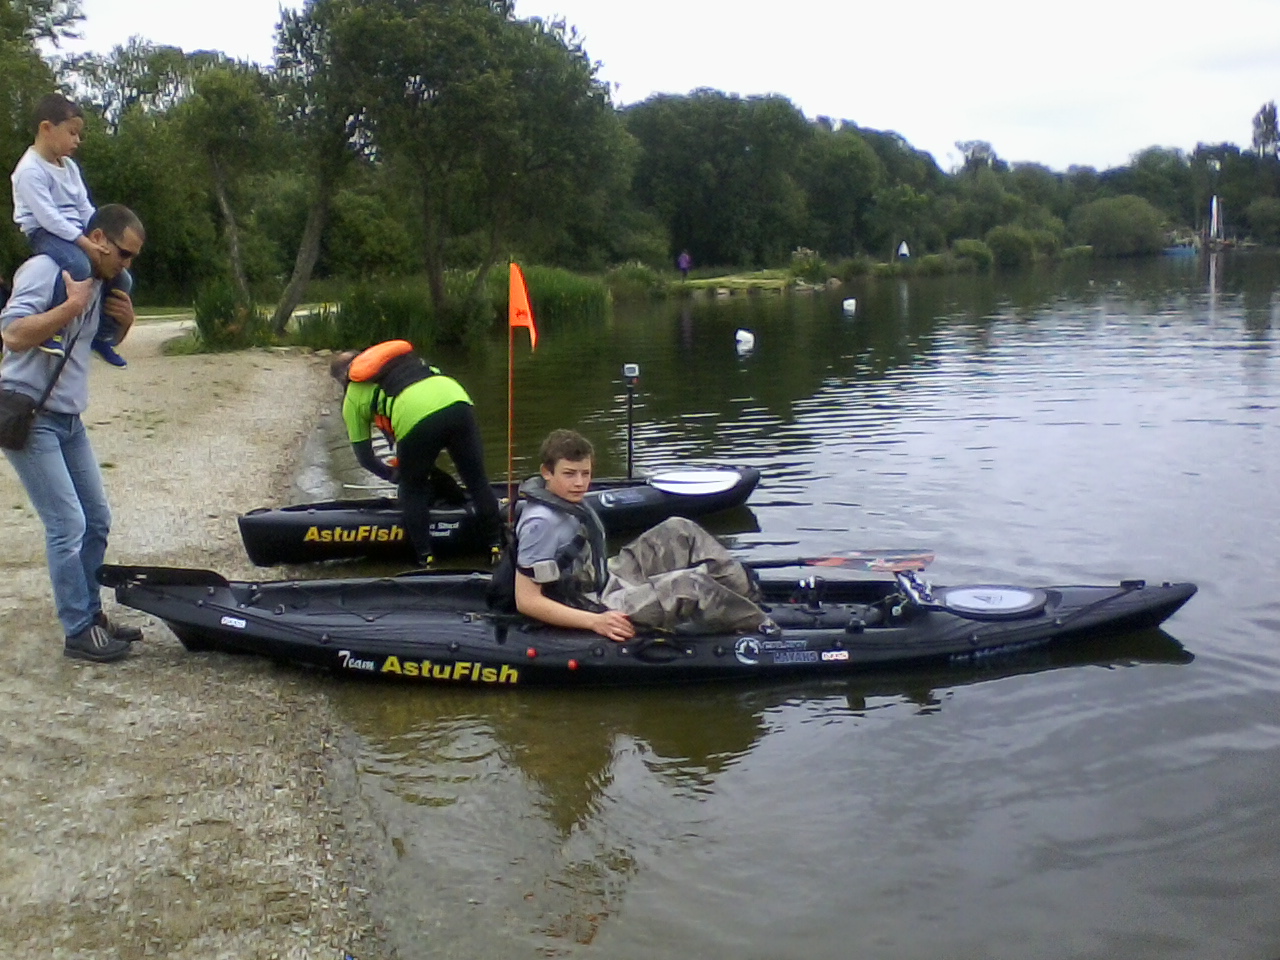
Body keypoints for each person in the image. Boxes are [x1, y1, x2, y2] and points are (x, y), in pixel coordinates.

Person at [0, 203, 146, 662]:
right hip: (29, 415)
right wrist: (71, 305)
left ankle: (92, 615)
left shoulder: (101, 284)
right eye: (123, 254)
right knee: (67, 524)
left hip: (69, 420)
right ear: (98, 238)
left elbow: (92, 346)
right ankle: (78, 630)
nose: (126, 265)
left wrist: (123, 326)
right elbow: (12, 334)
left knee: (96, 519)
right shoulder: (47, 269)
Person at [507, 429, 770, 641]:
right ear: (546, 472)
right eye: (569, 474)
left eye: (585, 473)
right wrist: (596, 621)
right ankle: (764, 630)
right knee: (689, 584)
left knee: (680, 530)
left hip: (603, 577)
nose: (579, 483)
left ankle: (748, 599)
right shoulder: (540, 524)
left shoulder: (567, 499)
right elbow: (527, 601)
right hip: (591, 603)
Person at [329, 340, 501, 565]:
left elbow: (366, 458)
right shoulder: (409, 362)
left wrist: (395, 475)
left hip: (415, 415)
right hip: (457, 398)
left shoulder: (352, 396)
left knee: (412, 489)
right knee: (476, 479)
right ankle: (495, 546)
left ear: (343, 379)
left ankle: (425, 558)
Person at [10, 93, 131, 368]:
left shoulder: (70, 168)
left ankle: (102, 336)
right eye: (72, 133)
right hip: (44, 233)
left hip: (77, 231)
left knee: (122, 278)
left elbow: (84, 206)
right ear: (46, 128)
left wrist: (102, 235)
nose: (77, 140)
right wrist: (85, 244)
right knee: (78, 265)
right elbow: (48, 218)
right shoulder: (30, 170)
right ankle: (53, 329)